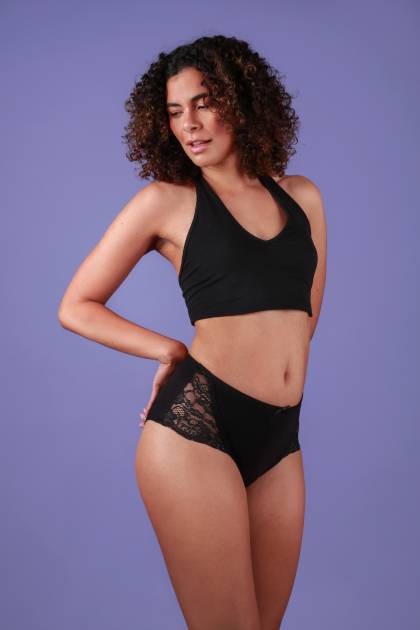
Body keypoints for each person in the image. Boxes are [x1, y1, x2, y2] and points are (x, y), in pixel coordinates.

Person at [58, 34, 327, 630]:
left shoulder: (303, 198)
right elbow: (76, 305)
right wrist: (168, 349)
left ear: (242, 101)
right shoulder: (166, 202)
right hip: (196, 427)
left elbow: (304, 321)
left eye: (204, 103)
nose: (190, 124)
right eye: (176, 111)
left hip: (280, 434)